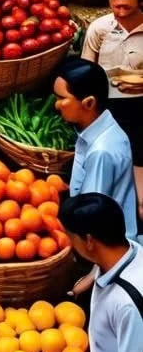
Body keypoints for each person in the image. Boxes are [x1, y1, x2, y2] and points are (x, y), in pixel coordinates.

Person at [57, 193, 143, 352]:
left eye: (71, 237)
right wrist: (91, 277)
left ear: (89, 241)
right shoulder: (128, 249)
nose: (69, 244)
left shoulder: (126, 304)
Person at [81, 0, 143, 224]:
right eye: (114, 6)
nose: (119, 12)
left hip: (141, 109)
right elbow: (85, 72)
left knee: (138, 158)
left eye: (126, 8)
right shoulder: (100, 29)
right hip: (107, 108)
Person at [53, 57, 139, 237]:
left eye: (62, 98)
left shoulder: (101, 152)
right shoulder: (101, 128)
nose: (56, 104)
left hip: (104, 244)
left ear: (89, 103)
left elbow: (90, 218)